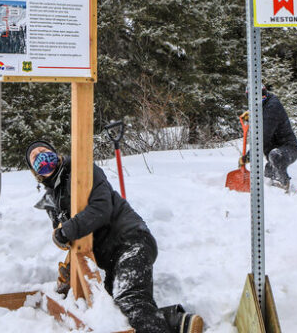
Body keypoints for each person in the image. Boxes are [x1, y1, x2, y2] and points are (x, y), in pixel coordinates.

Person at [25, 141, 203, 333]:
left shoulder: (80, 169)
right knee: (115, 312)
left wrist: (64, 232)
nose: (41, 156)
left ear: (55, 153)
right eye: (35, 157)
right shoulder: (53, 202)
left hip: (131, 241)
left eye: (44, 150)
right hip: (111, 259)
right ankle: (178, 322)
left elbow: (100, 209)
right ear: (34, 170)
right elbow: (71, 237)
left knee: (130, 299)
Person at [243, 86, 297, 191]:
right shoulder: (262, 106)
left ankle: (284, 186)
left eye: (261, 96)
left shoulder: (273, 107)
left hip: (288, 149)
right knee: (268, 174)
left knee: (275, 156)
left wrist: (249, 155)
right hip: (273, 153)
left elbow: (264, 135)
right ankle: (276, 195)